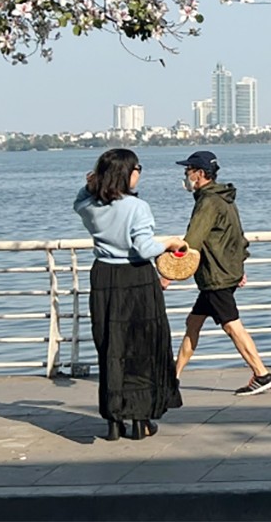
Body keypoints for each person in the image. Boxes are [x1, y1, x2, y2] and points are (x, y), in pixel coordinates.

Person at [74, 149, 184, 441]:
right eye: (138, 168)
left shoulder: (91, 206)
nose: (140, 174)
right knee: (143, 348)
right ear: (127, 172)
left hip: (104, 277)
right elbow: (144, 248)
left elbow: (79, 201)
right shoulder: (137, 207)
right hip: (136, 277)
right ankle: (141, 419)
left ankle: (113, 420)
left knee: (112, 347)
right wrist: (171, 242)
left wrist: (90, 185)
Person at [173, 151, 271, 396]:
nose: (185, 175)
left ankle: (261, 373)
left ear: (199, 174)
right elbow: (237, 237)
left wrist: (169, 274)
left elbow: (192, 242)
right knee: (193, 323)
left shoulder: (207, 202)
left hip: (215, 277)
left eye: (187, 170)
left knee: (232, 326)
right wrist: (239, 267)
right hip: (222, 273)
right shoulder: (224, 198)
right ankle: (173, 376)